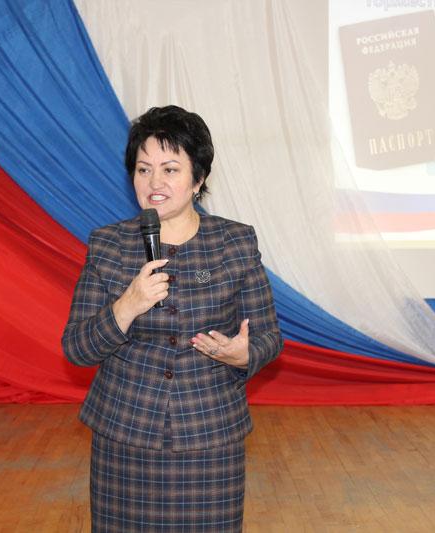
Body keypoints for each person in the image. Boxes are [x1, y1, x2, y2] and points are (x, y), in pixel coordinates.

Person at [62, 105, 283, 532]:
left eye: (170, 169)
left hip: (210, 433)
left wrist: (242, 355)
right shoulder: (108, 245)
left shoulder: (234, 242)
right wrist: (127, 305)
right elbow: (76, 348)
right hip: (125, 434)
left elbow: (268, 335)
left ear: (198, 179)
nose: (154, 183)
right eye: (143, 170)